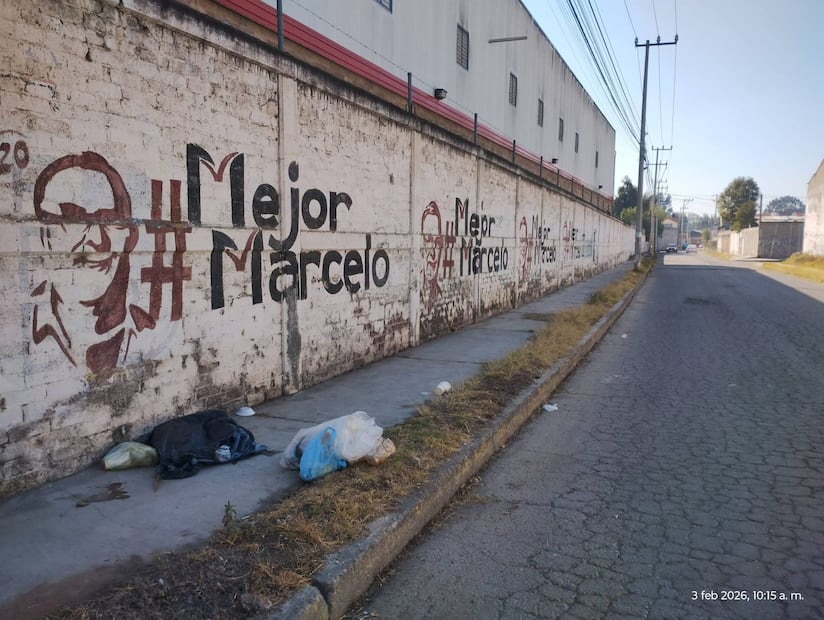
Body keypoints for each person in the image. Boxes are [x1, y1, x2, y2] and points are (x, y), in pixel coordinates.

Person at [30, 152, 155, 373]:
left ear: (129, 236)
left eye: (107, 220)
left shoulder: (142, 329)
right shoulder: (32, 334)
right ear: (44, 236)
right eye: (70, 218)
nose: (93, 239)